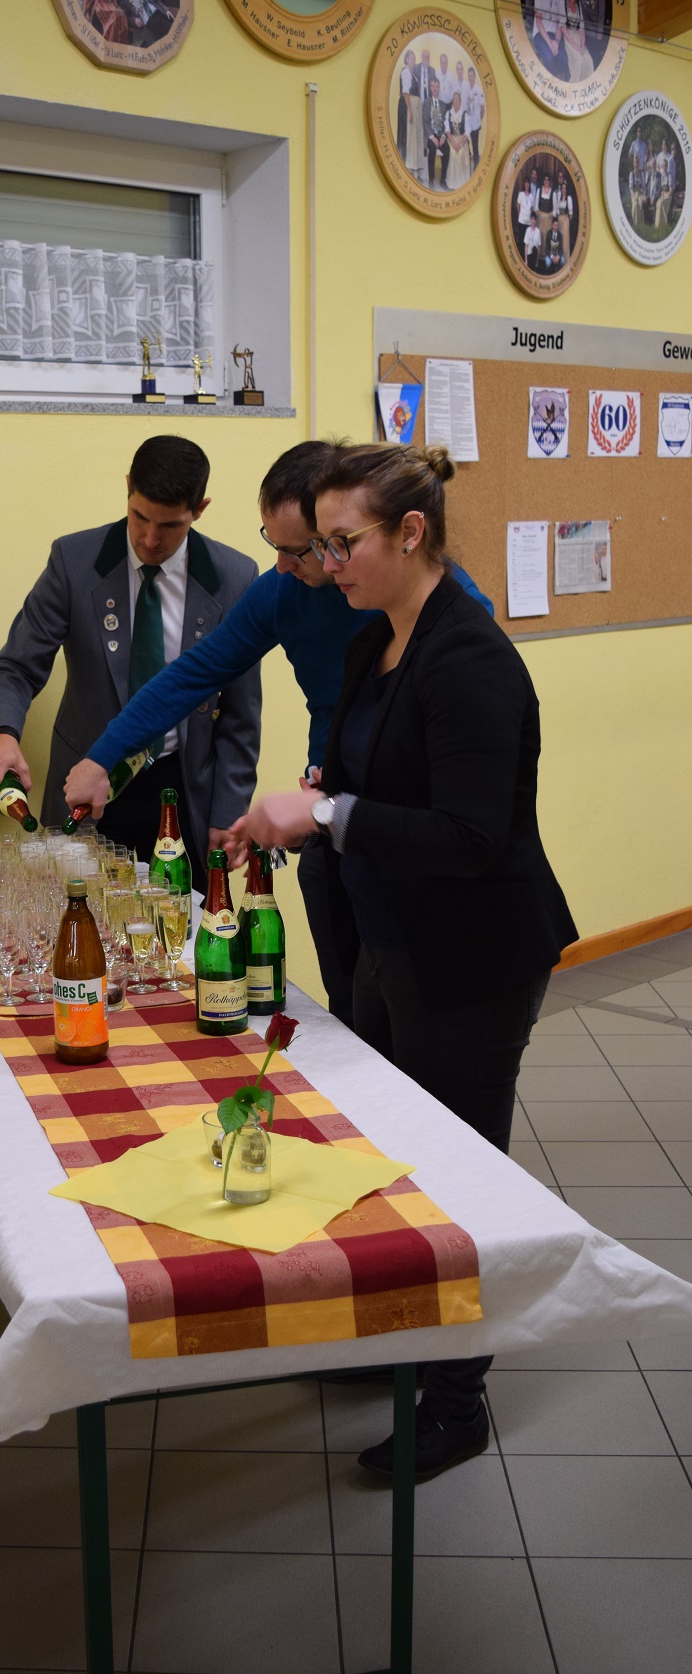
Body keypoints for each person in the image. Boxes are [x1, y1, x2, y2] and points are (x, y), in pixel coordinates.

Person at [225, 442, 576, 1480]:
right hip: (385, 942)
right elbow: (352, 777)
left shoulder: (470, 660)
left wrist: (327, 813)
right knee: (383, 1156)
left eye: (343, 544)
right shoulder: (375, 643)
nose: (327, 566)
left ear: (411, 533)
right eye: (323, 546)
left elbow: (470, 835)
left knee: (457, 1176)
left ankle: (458, 1401)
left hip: (469, 959)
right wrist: (298, 808)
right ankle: (393, 1340)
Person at [62, 441, 493, 1027]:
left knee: (421, 1018)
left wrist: (320, 804)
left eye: (304, 549)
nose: (288, 567)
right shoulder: (288, 590)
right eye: (276, 547)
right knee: (356, 1011)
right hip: (335, 820)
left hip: (408, 837)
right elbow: (192, 674)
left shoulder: (444, 617)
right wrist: (103, 757)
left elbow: (455, 771)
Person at [0, 436, 259, 889]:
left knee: (181, 926)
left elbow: (241, 716)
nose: (150, 539)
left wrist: (228, 813)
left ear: (200, 509)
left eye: (170, 525)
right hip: (86, 781)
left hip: (182, 790)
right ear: (127, 487)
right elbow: (16, 666)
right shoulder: (74, 561)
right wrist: (1, 732)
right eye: (139, 516)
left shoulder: (235, 577)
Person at [424, 78, 450, 189]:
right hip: (431, 135)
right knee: (432, 149)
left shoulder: (443, 105)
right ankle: (431, 179)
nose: (435, 89)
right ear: (430, 88)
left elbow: (446, 122)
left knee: (447, 149)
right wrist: (432, 137)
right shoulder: (427, 102)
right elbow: (425, 121)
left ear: (439, 89)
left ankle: (443, 179)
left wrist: (443, 136)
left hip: (441, 135)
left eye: (437, 86)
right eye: (433, 86)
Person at [444, 92, 471, 189]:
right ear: (452, 101)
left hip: (462, 140)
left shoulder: (465, 114)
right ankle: (452, 183)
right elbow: (447, 131)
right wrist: (453, 143)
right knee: (453, 154)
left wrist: (460, 145)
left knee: (460, 153)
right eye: (454, 99)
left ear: (460, 101)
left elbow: (467, 133)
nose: (455, 101)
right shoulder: (448, 113)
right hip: (451, 139)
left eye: (457, 99)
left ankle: (462, 183)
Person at [464, 64, 485, 166]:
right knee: (466, 146)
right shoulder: (466, 89)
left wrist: (479, 120)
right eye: (469, 76)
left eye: (472, 76)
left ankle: (476, 167)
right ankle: (467, 167)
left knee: (475, 147)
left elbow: (482, 108)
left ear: (475, 77)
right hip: (467, 124)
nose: (470, 78)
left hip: (475, 124)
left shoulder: (478, 90)